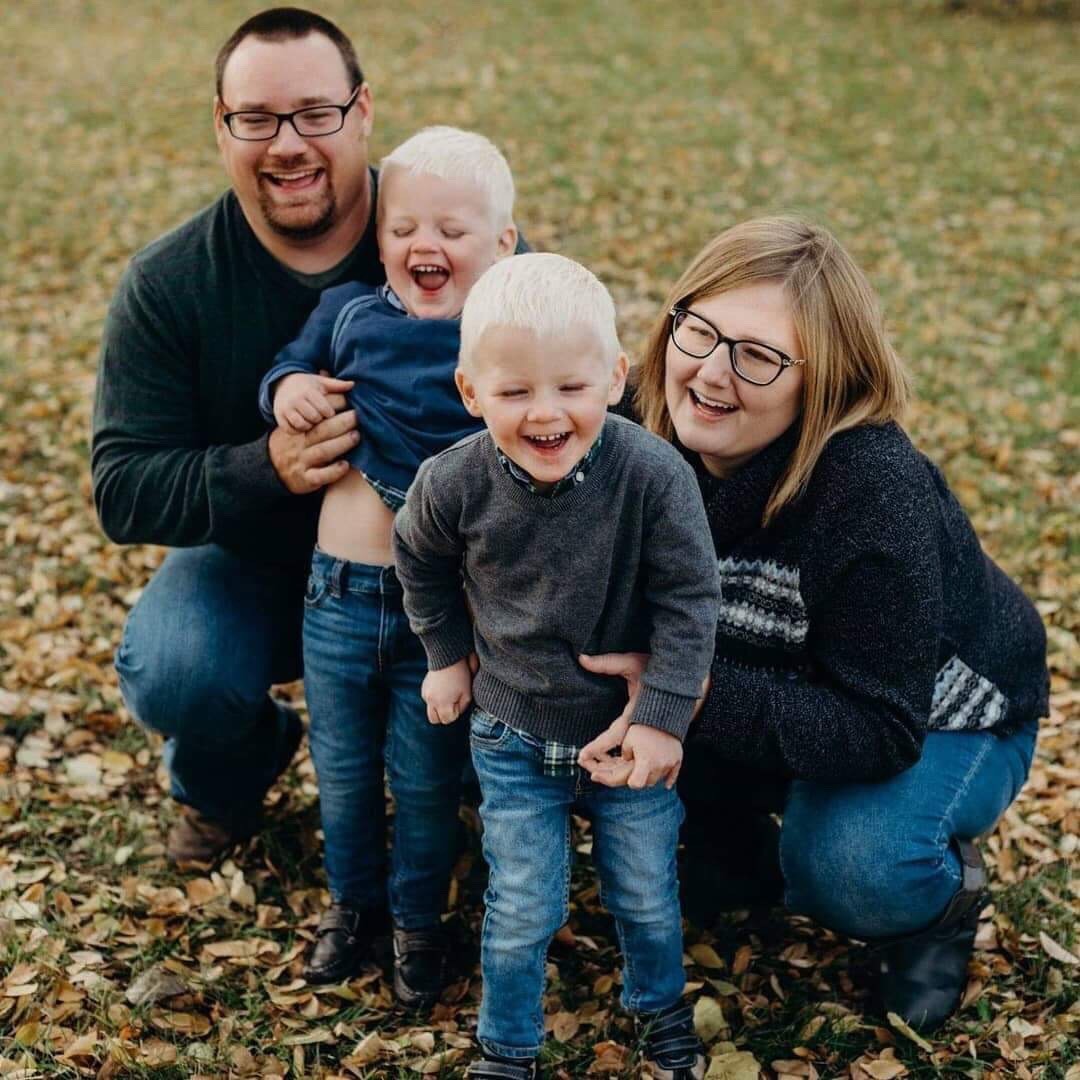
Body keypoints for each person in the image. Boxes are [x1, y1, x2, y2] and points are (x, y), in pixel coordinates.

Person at [577, 217, 1049, 1032]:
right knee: (577, 726)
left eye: (758, 356)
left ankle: (937, 907)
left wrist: (682, 694)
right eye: (700, 330)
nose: (711, 374)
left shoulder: (871, 493)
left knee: (850, 865)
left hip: (941, 711)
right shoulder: (632, 423)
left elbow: (879, 727)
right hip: (769, 677)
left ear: (823, 383)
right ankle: (735, 853)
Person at [90, 9, 525, 875]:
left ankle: (484, 781)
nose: (287, 142)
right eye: (256, 118)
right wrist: (269, 465)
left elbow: (570, 388)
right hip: (254, 563)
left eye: (315, 113)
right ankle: (230, 774)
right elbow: (124, 486)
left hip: (446, 569)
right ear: (222, 127)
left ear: (363, 113)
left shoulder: (443, 238)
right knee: (177, 667)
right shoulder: (171, 283)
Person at [392, 253, 721, 1080]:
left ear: (614, 377)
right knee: (521, 905)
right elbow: (420, 565)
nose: (546, 414)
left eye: (571, 388)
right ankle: (508, 1047)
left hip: (625, 733)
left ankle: (660, 1007)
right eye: (514, 393)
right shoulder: (451, 484)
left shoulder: (654, 476)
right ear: (471, 393)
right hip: (511, 733)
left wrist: (663, 715)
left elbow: (691, 598)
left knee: (645, 894)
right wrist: (445, 657)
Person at [256, 126, 518, 999]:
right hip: (335, 594)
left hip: (439, 608)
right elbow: (291, 369)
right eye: (404, 228)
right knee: (343, 769)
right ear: (380, 242)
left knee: (425, 774)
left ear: (503, 247)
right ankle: (350, 907)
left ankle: (417, 923)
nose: (424, 246)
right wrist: (288, 389)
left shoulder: (501, 342)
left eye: (452, 229)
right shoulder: (351, 314)